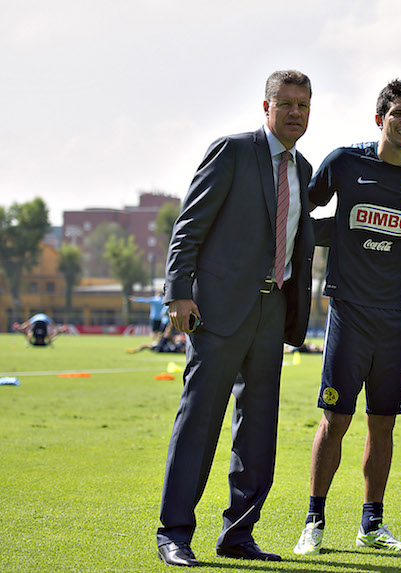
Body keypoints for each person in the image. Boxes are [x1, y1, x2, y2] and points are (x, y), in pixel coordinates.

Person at [156, 70, 316, 567]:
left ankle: (239, 534)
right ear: (265, 107)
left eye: (303, 105)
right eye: (285, 103)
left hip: (273, 311)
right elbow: (188, 227)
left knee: (259, 428)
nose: (294, 112)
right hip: (218, 311)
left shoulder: (303, 168)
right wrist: (179, 294)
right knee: (199, 421)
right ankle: (175, 534)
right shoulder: (232, 150)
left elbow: (296, 237)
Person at [292, 79, 401, 556]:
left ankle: (371, 525)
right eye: (397, 113)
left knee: (384, 424)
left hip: (398, 320)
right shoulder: (343, 162)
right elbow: (297, 212)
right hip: (349, 314)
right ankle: (313, 523)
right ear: (380, 119)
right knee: (335, 419)